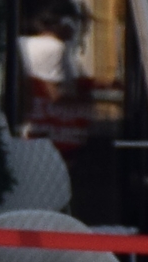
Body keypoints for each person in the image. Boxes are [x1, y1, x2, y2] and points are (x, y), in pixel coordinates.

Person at [18, 8, 92, 153]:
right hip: (45, 124)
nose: (81, 33)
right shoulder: (54, 46)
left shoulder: (23, 42)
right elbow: (56, 94)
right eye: (78, 27)